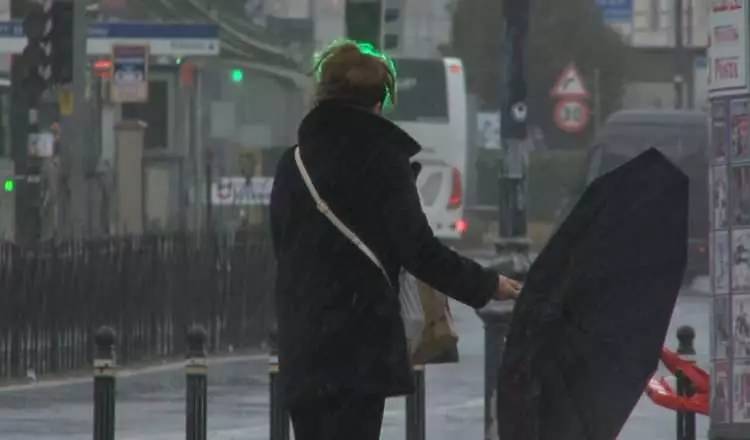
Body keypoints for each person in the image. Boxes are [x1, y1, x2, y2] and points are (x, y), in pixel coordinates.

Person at [269, 39, 522, 440]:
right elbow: (419, 250)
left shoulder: (293, 163)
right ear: (380, 101)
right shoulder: (384, 161)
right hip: (357, 345)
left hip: (305, 345)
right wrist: (488, 283)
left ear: (322, 95)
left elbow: (282, 245)